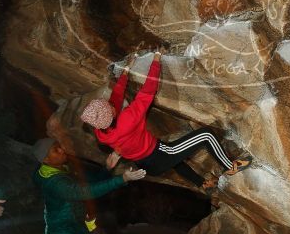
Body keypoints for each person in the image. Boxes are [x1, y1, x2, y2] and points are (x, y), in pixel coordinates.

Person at [80, 51, 251, 192]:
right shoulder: (128, 119)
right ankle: (230, 166)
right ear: (111, 114)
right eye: (107, 106)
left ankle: (202, 183)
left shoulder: (101, 132)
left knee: (176, 160)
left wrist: (125, 72)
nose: (109, 104)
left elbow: (115, 98)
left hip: (146, 165)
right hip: (158, 155)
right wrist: (156, 59)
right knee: (206, 135)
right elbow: (148, 90)